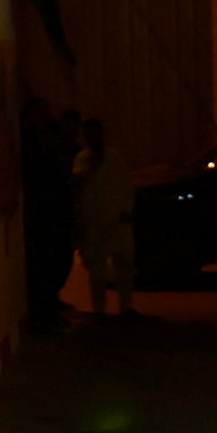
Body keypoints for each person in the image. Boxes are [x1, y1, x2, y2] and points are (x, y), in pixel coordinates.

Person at [21, 99, 78, 334]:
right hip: (43, 210)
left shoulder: (49, 139)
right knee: (43, 263)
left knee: (57, 259)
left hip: (53, 208)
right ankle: (43, 313)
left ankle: (48, 306)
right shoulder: (32, 141)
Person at [80, 116, 135, 317]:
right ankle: (99, 309)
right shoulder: (83, 160)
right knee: (97, 268)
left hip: (117, 219)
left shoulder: (114, 158)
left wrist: (126, 211)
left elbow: (126, 186)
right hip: (94, 220)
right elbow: (81, 184)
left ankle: (126, 306)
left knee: (124, 264)